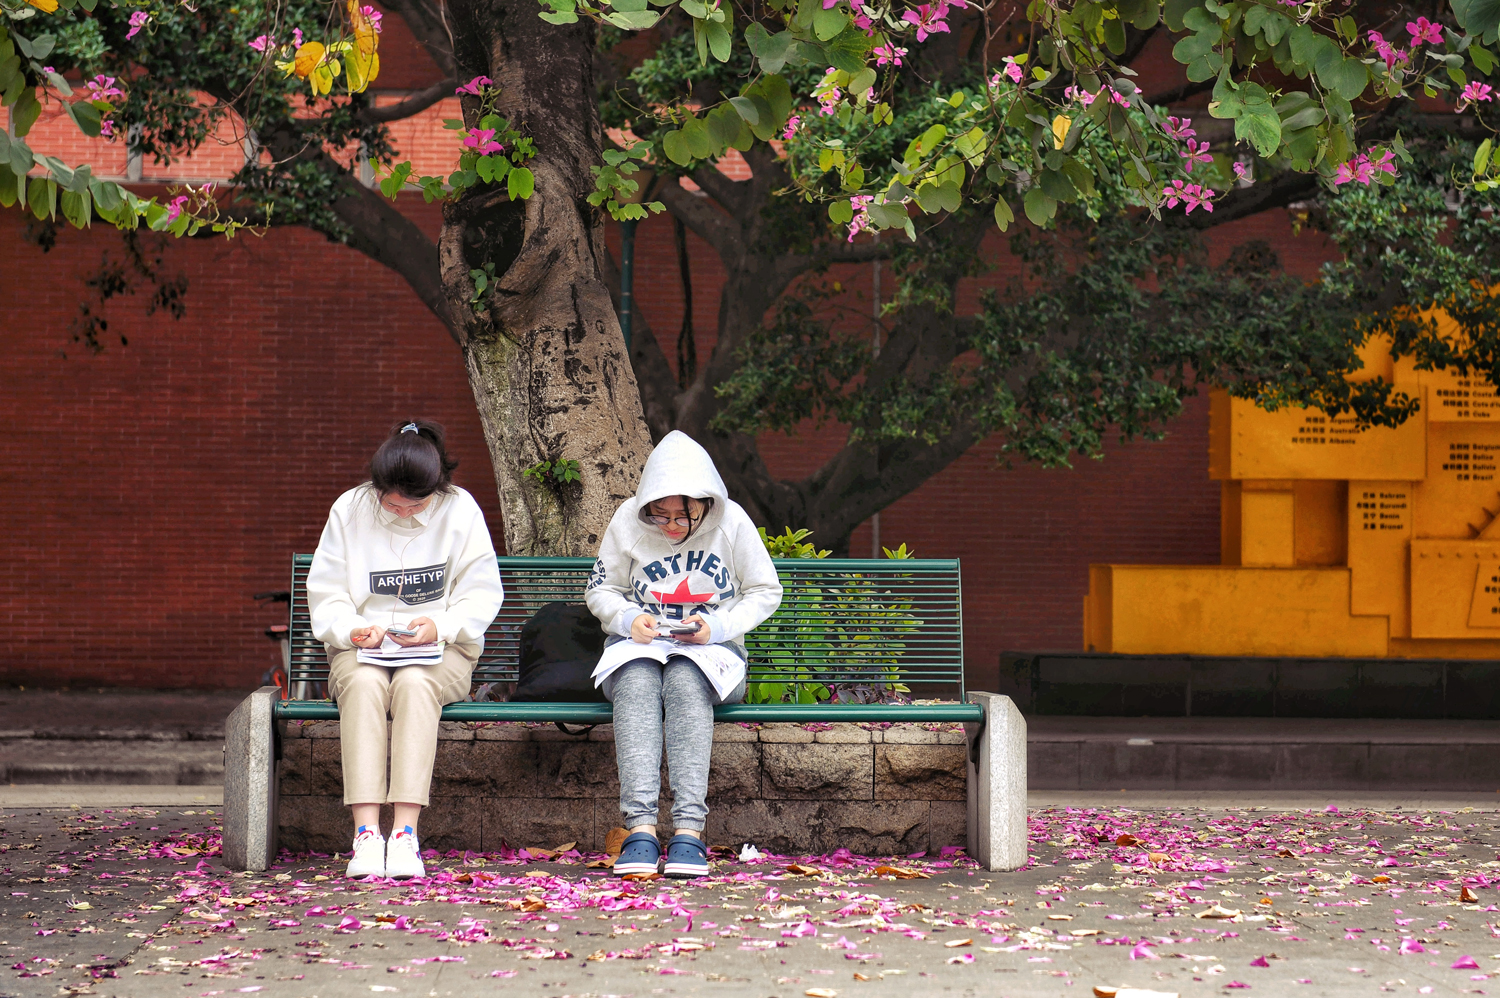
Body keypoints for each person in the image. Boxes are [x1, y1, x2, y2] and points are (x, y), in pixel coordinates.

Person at [307, 420, 504, 879]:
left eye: (412, 505)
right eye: (389, 502)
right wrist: (355, 629)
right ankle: (366, 833)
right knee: (362, 682)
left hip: (445, 650)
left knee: (415, 684)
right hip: (363, 649)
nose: (398, 512)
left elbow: (481, 593)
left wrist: (439, 625)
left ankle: (405, 833)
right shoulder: (350, 509)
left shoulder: (461, 510)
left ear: (435, 489)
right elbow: (328, 591)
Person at [585, 430, 783, 878]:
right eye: (660, 514)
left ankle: (689, 832)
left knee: (684, 679)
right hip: (638, 648)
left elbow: (766, 590)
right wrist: (626, 619)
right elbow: (601, 590)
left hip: (713, 655)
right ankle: (640, 830)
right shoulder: (625, 521)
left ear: (705, 502)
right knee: (637, 681)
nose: (672, 526)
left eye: (683, 515)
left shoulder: (732, 522)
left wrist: (717, 627)